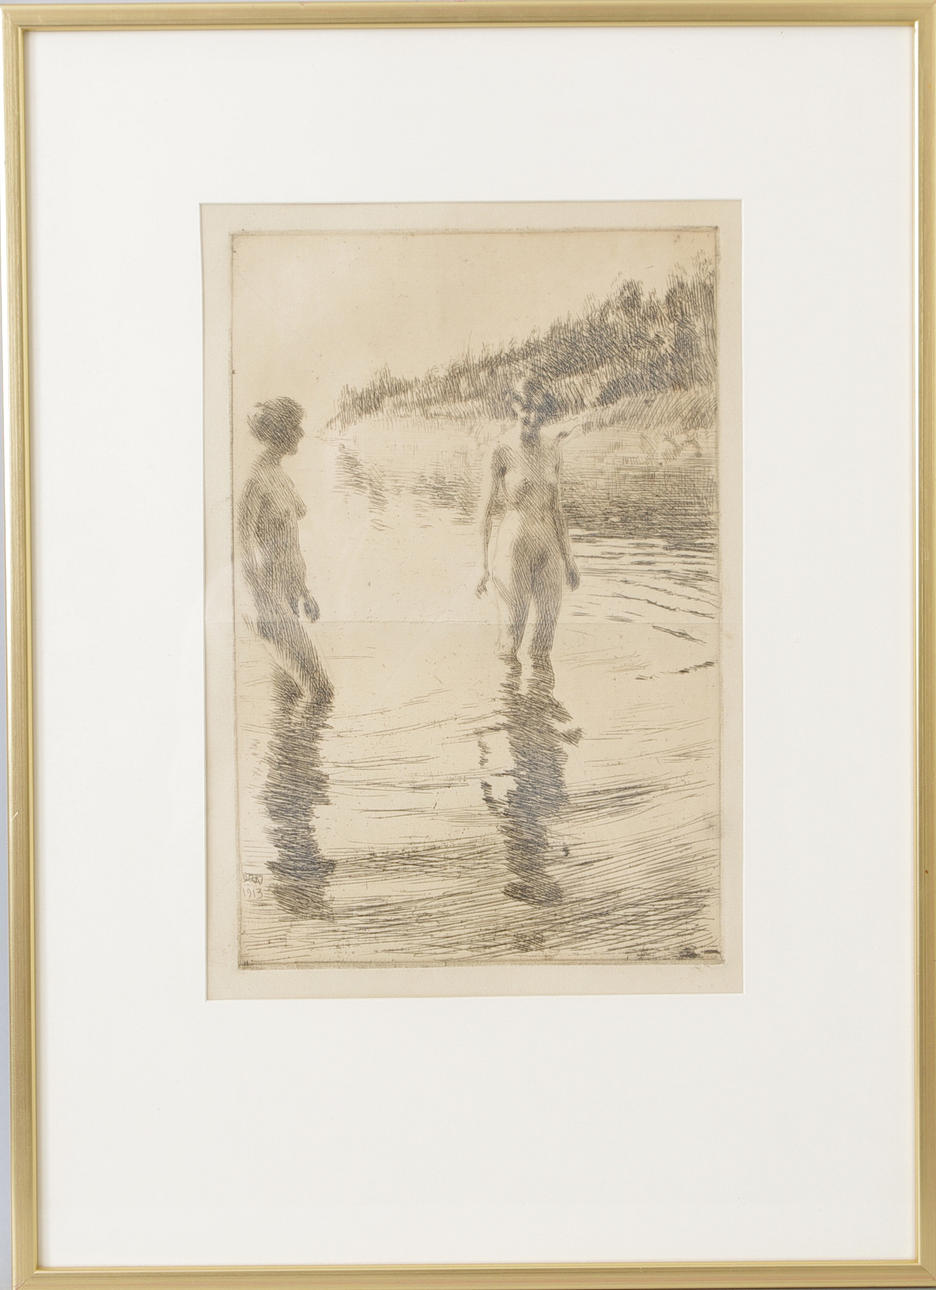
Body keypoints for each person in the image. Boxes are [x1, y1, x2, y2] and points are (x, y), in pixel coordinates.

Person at [476, 375, 580, 661]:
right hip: (514, 551)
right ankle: (507, 690)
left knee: (544, 645)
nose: (533, 418)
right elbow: (484, 512)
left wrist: (569, 560)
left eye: (539, 410)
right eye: (527, 409)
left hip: (549, 552)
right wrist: (481, 566)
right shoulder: (501, 450)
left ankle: (541, 690)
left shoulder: (553, 450)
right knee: (510, 642)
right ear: (514, 406)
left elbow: (557, 509)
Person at [238, 396, 332, 703]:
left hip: (288, 596)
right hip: (270, 600)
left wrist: (304, 593)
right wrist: (263, 600)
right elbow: (243, 547)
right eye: (295, 427)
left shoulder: (281, 477)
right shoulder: (256, 482)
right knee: (322, 692)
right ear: (281, 431)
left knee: (288, 695)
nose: (301, 433)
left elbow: (291, 544)